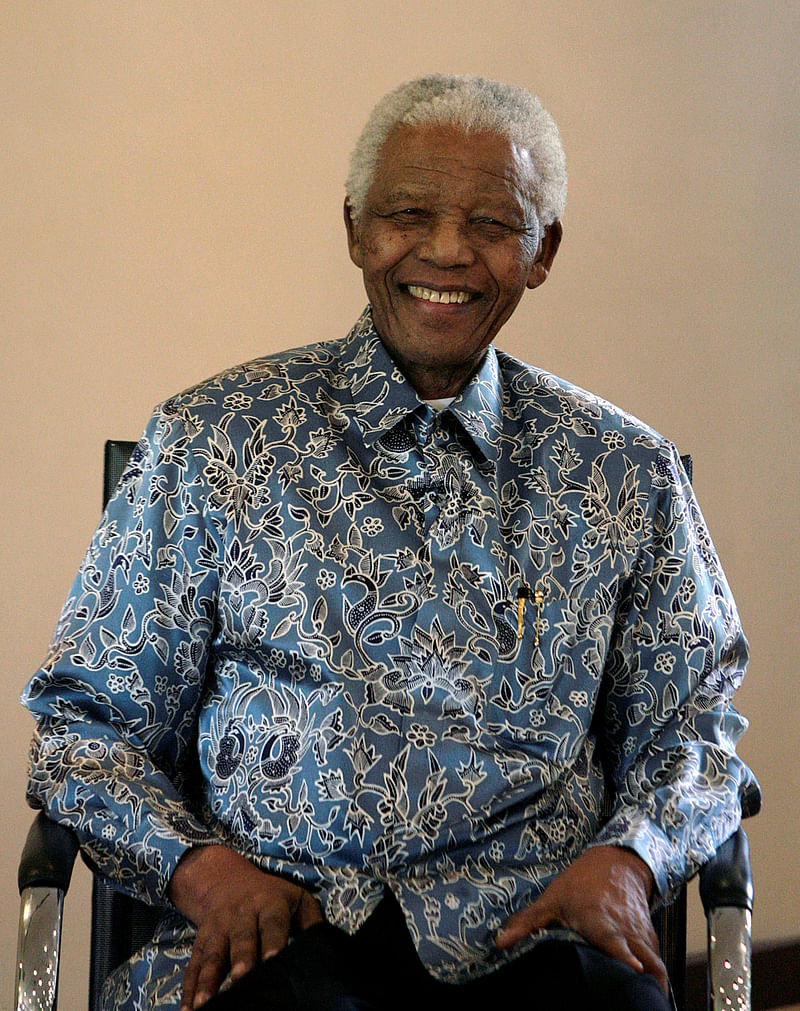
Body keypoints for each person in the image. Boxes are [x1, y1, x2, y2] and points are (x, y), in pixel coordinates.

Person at [22, 75, 757, 1011]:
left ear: (542, 252)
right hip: (274, 932)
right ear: (356, 230)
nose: (446, 250)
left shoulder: (622, 470)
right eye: (409, 213)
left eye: (493, 222)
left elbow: (695, 724)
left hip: (535, 931)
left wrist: (628, 856)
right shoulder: (213, 442)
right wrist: (199, 871)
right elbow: (86, 723)